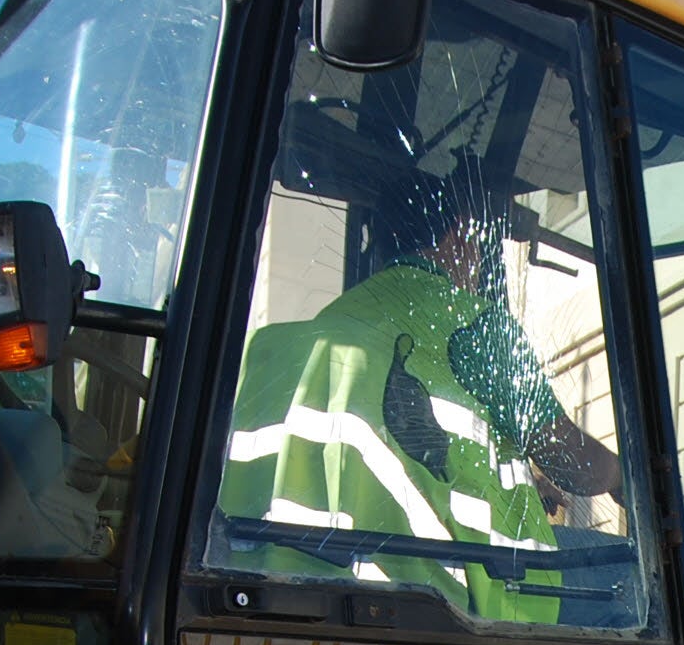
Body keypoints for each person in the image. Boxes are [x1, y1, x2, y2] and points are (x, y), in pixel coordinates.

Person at [218, 157, 621, 621]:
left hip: (307, 575)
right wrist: (620, 477)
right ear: (456, 237)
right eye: (474, 242)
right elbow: (568, 458)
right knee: (632, 583)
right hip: (468, 587)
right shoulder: (472, 323)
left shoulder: (326, 327)